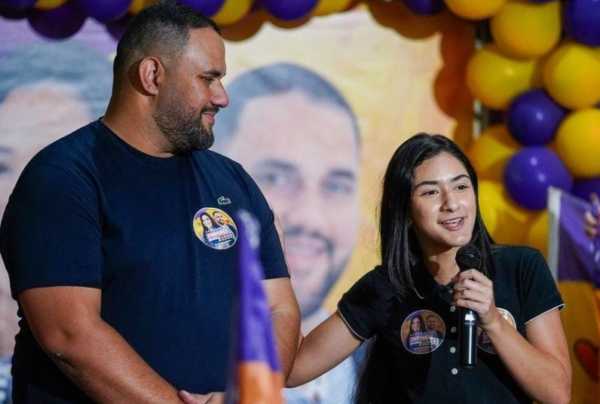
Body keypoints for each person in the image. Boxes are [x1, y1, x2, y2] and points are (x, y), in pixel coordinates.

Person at [0, 2, 300, 404]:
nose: (222, 97)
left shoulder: (233, 180)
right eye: (208, 78)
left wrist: (250, 395)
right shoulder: (62, 178)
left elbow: (279, 309)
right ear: (152, 75)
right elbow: (69, 336)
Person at [287, 133, 571, 404]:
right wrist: (275, 270)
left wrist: (494, 322)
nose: (452, 203)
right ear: (405, 211)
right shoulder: (384, 286)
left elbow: (557, 394)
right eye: (431, 192)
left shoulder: (521, 267)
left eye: (461, 187)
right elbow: (294, 369)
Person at [213, 63, 360, 403]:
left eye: (336, 185)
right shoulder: (181, 355)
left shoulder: (386, 353)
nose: (310, 217)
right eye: (277, 178)